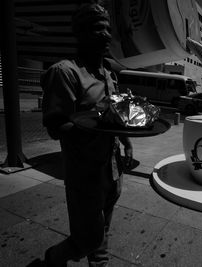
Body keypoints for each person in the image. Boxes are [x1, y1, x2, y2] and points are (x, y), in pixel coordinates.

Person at [29, 3, 133, 266]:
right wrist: (93, 124)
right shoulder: (65, 72)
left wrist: (126, 141)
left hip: (112, 169)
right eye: (99, 29)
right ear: (81, 33)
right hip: (84, 175)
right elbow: (56, 126)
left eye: (108, 29)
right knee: (86, 239)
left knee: (102, 232)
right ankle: (53, 259)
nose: (107, 35)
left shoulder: (109, 73)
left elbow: (116, 115)